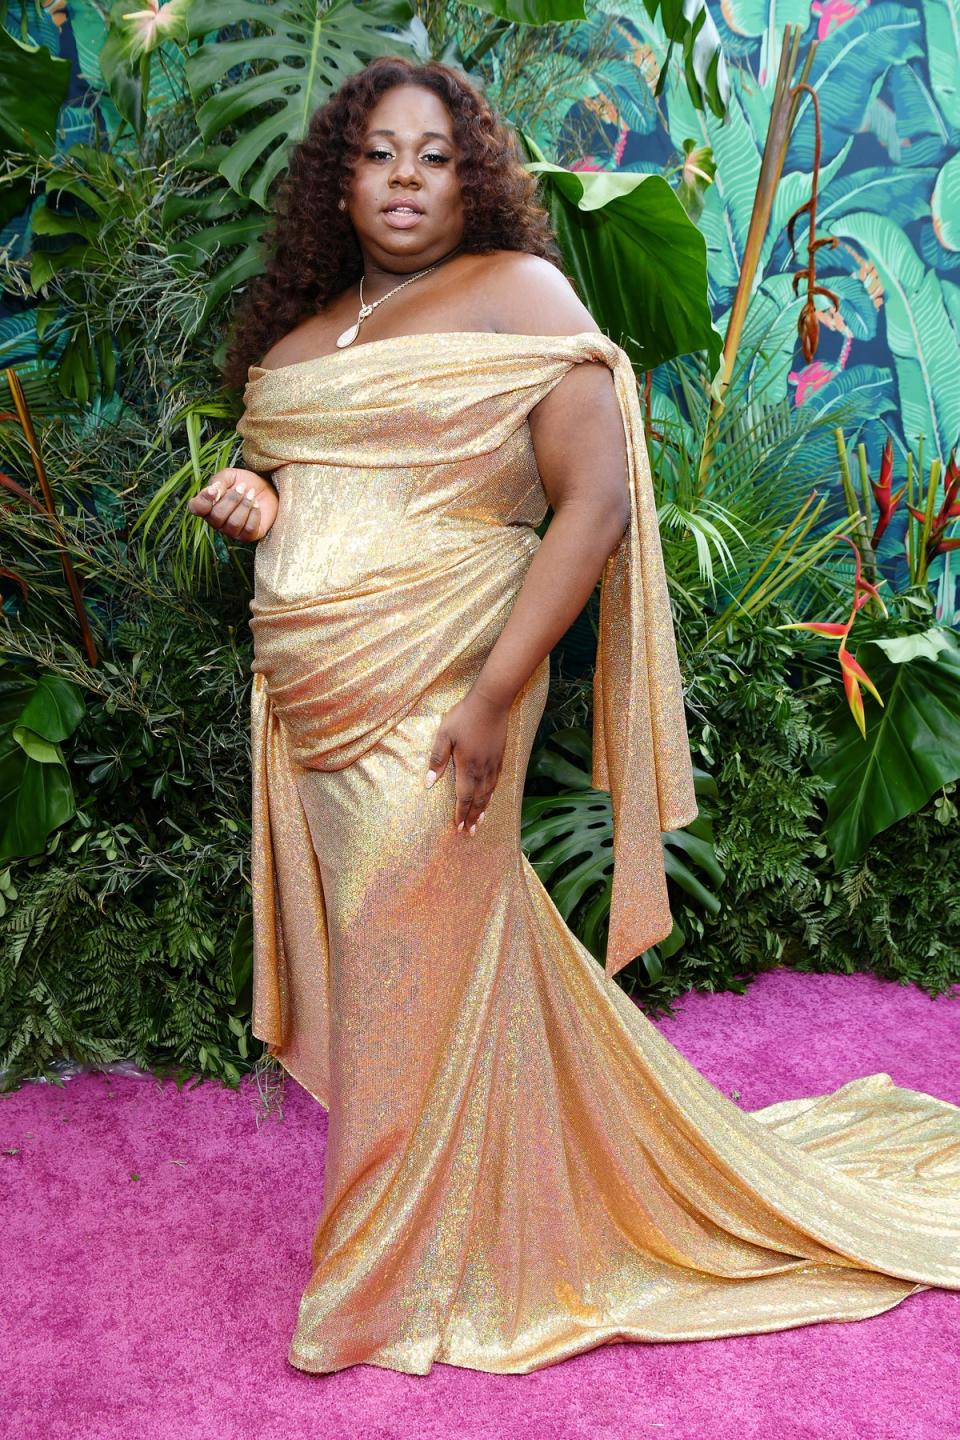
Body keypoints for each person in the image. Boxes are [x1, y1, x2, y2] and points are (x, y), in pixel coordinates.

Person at [188, 56, 960, 1378]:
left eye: (435, 154)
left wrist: (495, 697)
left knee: (392, 949)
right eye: (380, 153)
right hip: (319, 702)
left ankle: (377, 1281)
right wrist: (258, 503)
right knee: (414, 971)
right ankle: (465, 1208)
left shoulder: (522, 294)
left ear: (473, 171)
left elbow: (591, 501)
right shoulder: (312, 330)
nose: (408, 178)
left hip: (449, 690)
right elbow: (308, 484)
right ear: (340, 175)